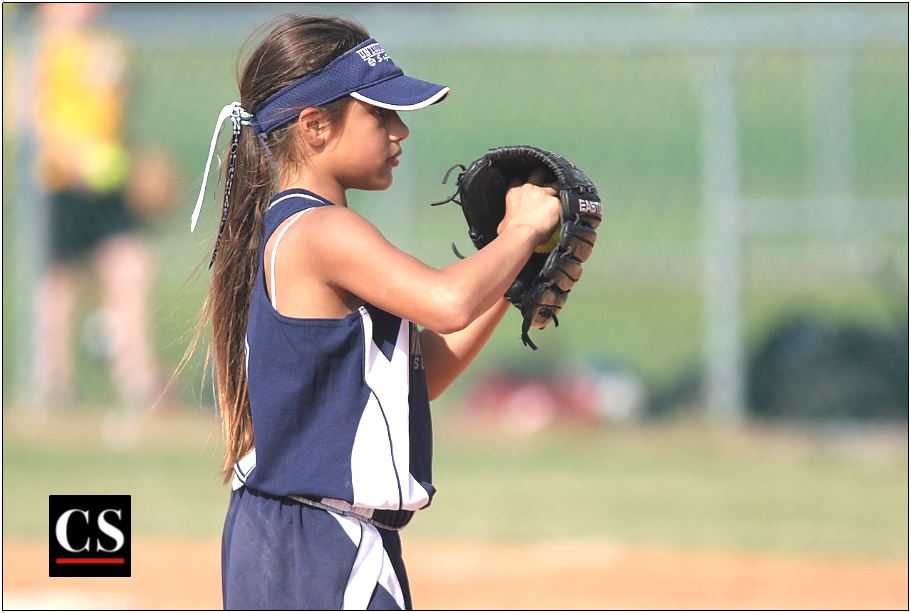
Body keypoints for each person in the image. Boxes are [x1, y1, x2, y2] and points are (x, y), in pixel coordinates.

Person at [190, 14, 560, 610]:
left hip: (324, 538)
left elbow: (426, 373)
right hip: (314, 546)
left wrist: (514, 273)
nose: (399, 132)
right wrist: (519, 231)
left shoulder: (312, 228)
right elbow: (447, 302)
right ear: (314, 126)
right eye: (379, 114)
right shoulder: (320, 230)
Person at [27, 3, 166, 426]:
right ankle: (53, 382)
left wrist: (133, 156)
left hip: (107, 183)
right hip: (58, 183)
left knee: (131, 267)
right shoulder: (37, 47)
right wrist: (76, 155)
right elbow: (30, 119)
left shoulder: (106, 44)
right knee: (58, 284)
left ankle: (137, 379)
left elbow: (119, 110)